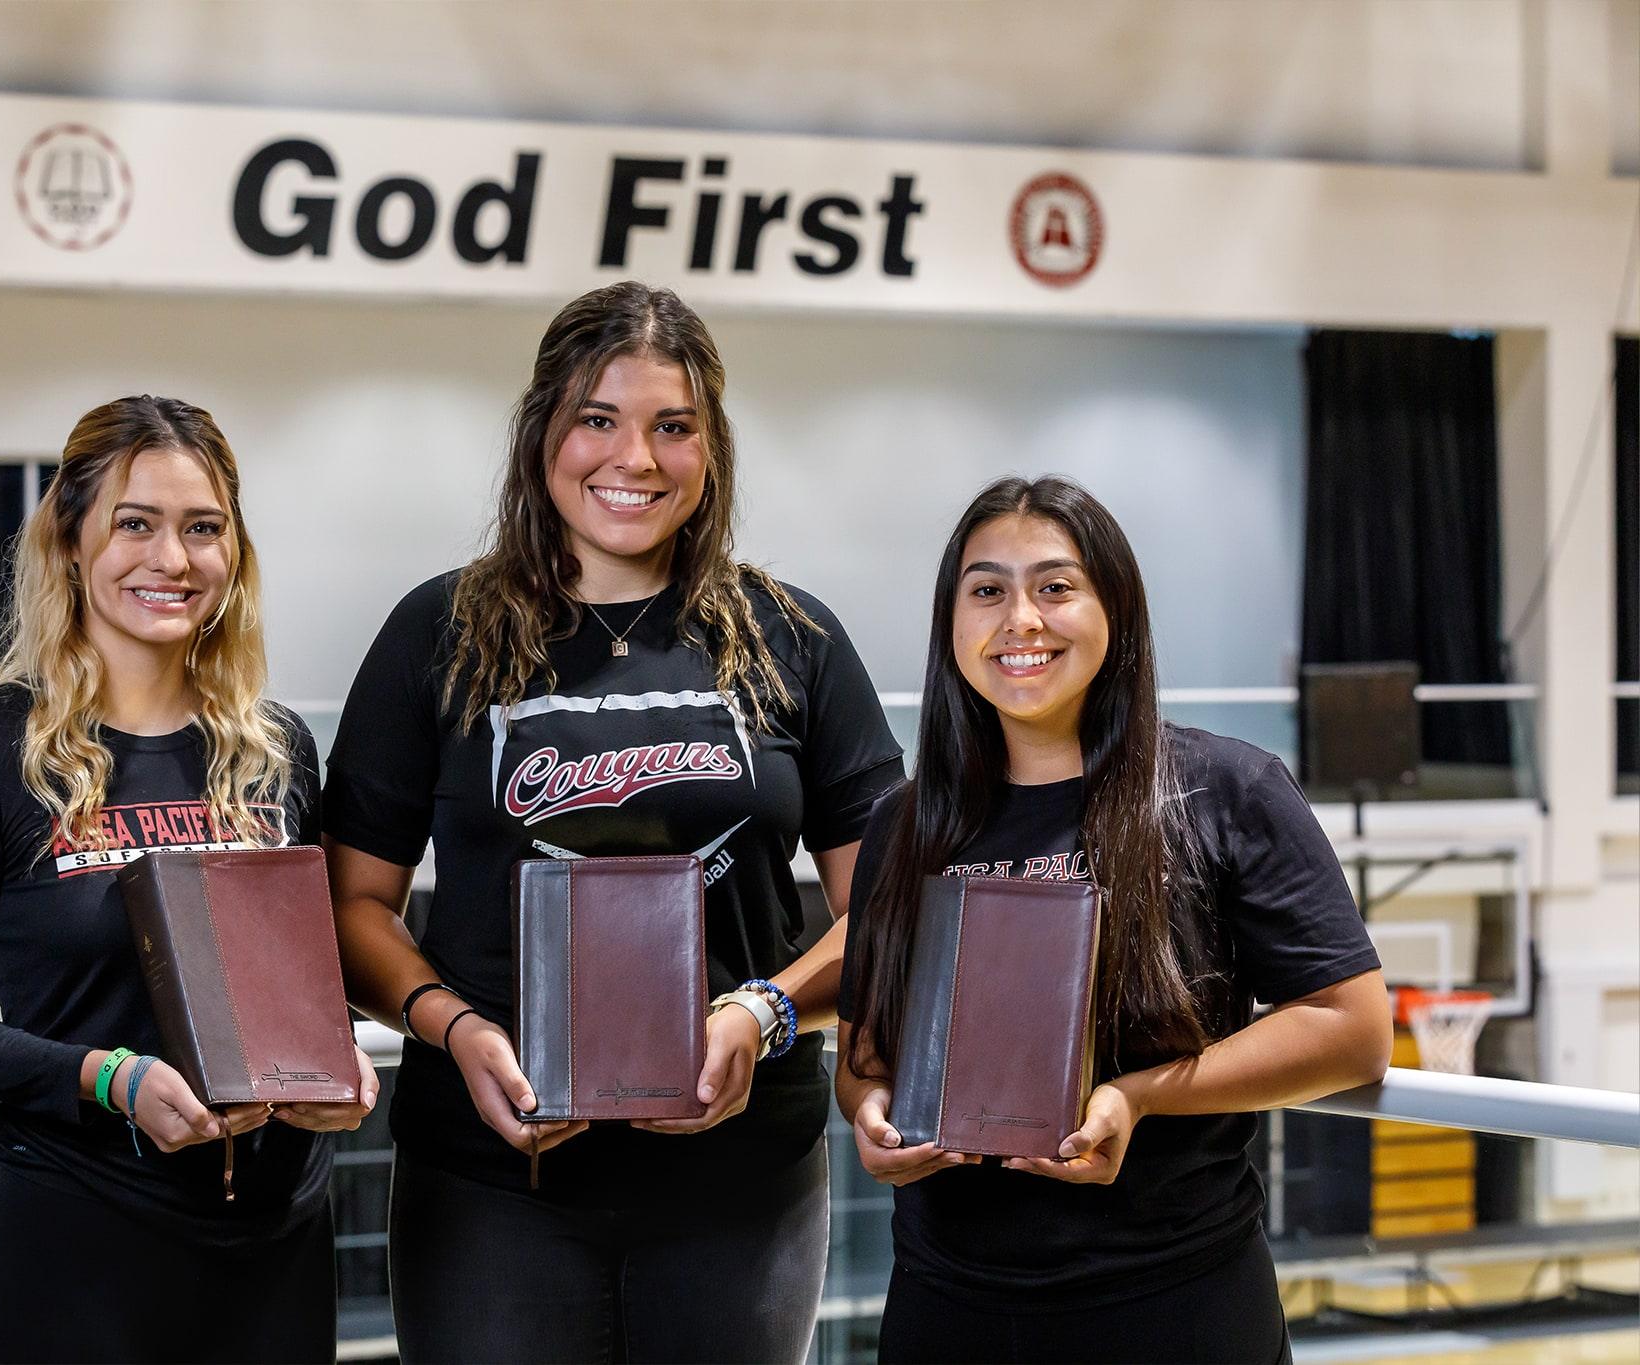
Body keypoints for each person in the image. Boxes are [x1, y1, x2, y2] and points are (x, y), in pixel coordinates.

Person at [324, 281, 904, 1363]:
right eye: (597, 419)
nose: (632, 459)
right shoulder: (435, 634)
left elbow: (888, 905)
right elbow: (352, 907)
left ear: (709, 447)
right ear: (543, 431)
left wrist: (762, 1016)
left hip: (743, 1186)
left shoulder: (791, 639)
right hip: (492, 1179)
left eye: (670, 426)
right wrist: (457, 1030)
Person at [837, 474, 1392, 1364]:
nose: (1020, 618)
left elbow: (1353, 1028)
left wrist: (1136, 1096)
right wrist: (869, 1113)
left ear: (1115, 612)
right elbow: (867, 1050)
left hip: (1174, 1302)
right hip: (946, 1306)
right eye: (987, 590)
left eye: (1055, 586)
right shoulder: (905, 825)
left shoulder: (1227, 790)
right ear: (953, 626)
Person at [0, 395, 376, 1364]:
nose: (171, 560)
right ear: (71, 543)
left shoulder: (277, 754)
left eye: (202, 529)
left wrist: (336, 1069)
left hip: (273, 1238)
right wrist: (107, 1078)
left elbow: (293, 986)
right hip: (76, 1234)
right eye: (133, 525)